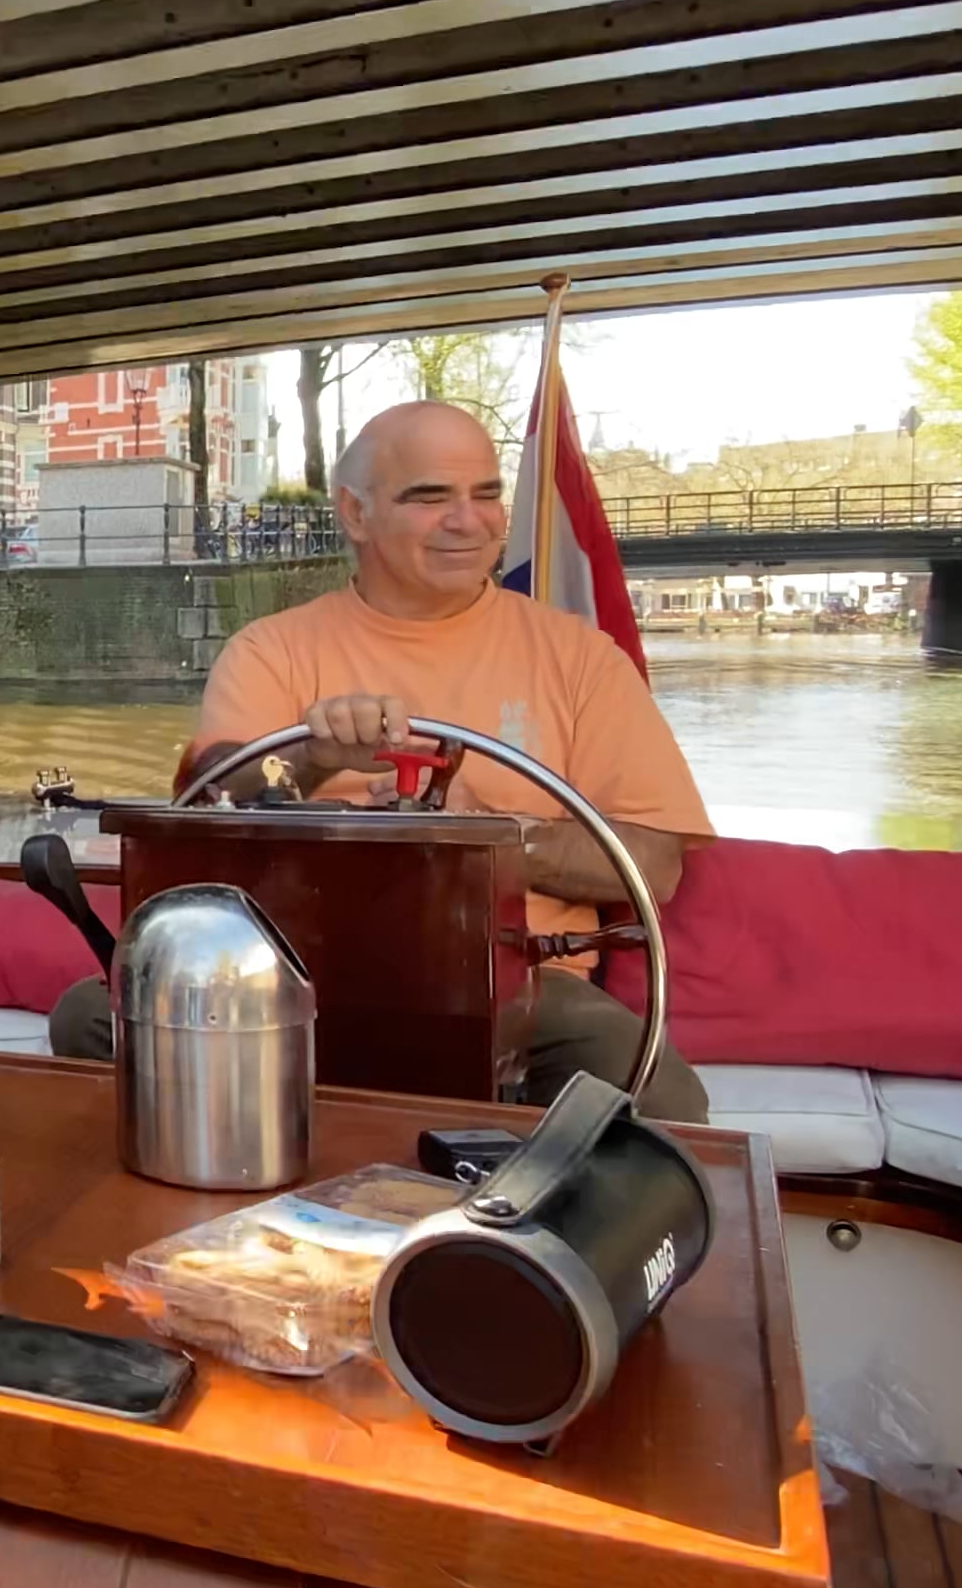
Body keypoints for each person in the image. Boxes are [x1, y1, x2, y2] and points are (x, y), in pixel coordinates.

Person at [50, 400, 714, 1120]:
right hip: (289, 971)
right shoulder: (272, 652)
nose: (470, 520)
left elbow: (653, 866)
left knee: (658, 1097)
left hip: (518, 983)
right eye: (431, 497)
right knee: (91, 1018)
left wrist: (486, 834)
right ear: (356, 514)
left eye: (486, 494)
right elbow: (207, 818)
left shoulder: (581, 659)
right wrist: (307, 759)